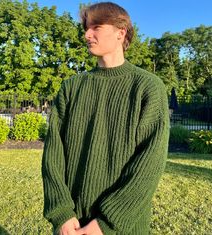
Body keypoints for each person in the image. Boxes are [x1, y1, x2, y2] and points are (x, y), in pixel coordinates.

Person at [42, 2, 170, 235]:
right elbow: (53, 153)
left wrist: (107, 222)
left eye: (96, 27)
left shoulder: (148, 87)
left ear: (121, 32)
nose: (86, 34)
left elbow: (150, 162)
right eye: (86, 28)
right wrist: (61, 213)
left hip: (123, 226)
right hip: (71, 224)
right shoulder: (71, 87)